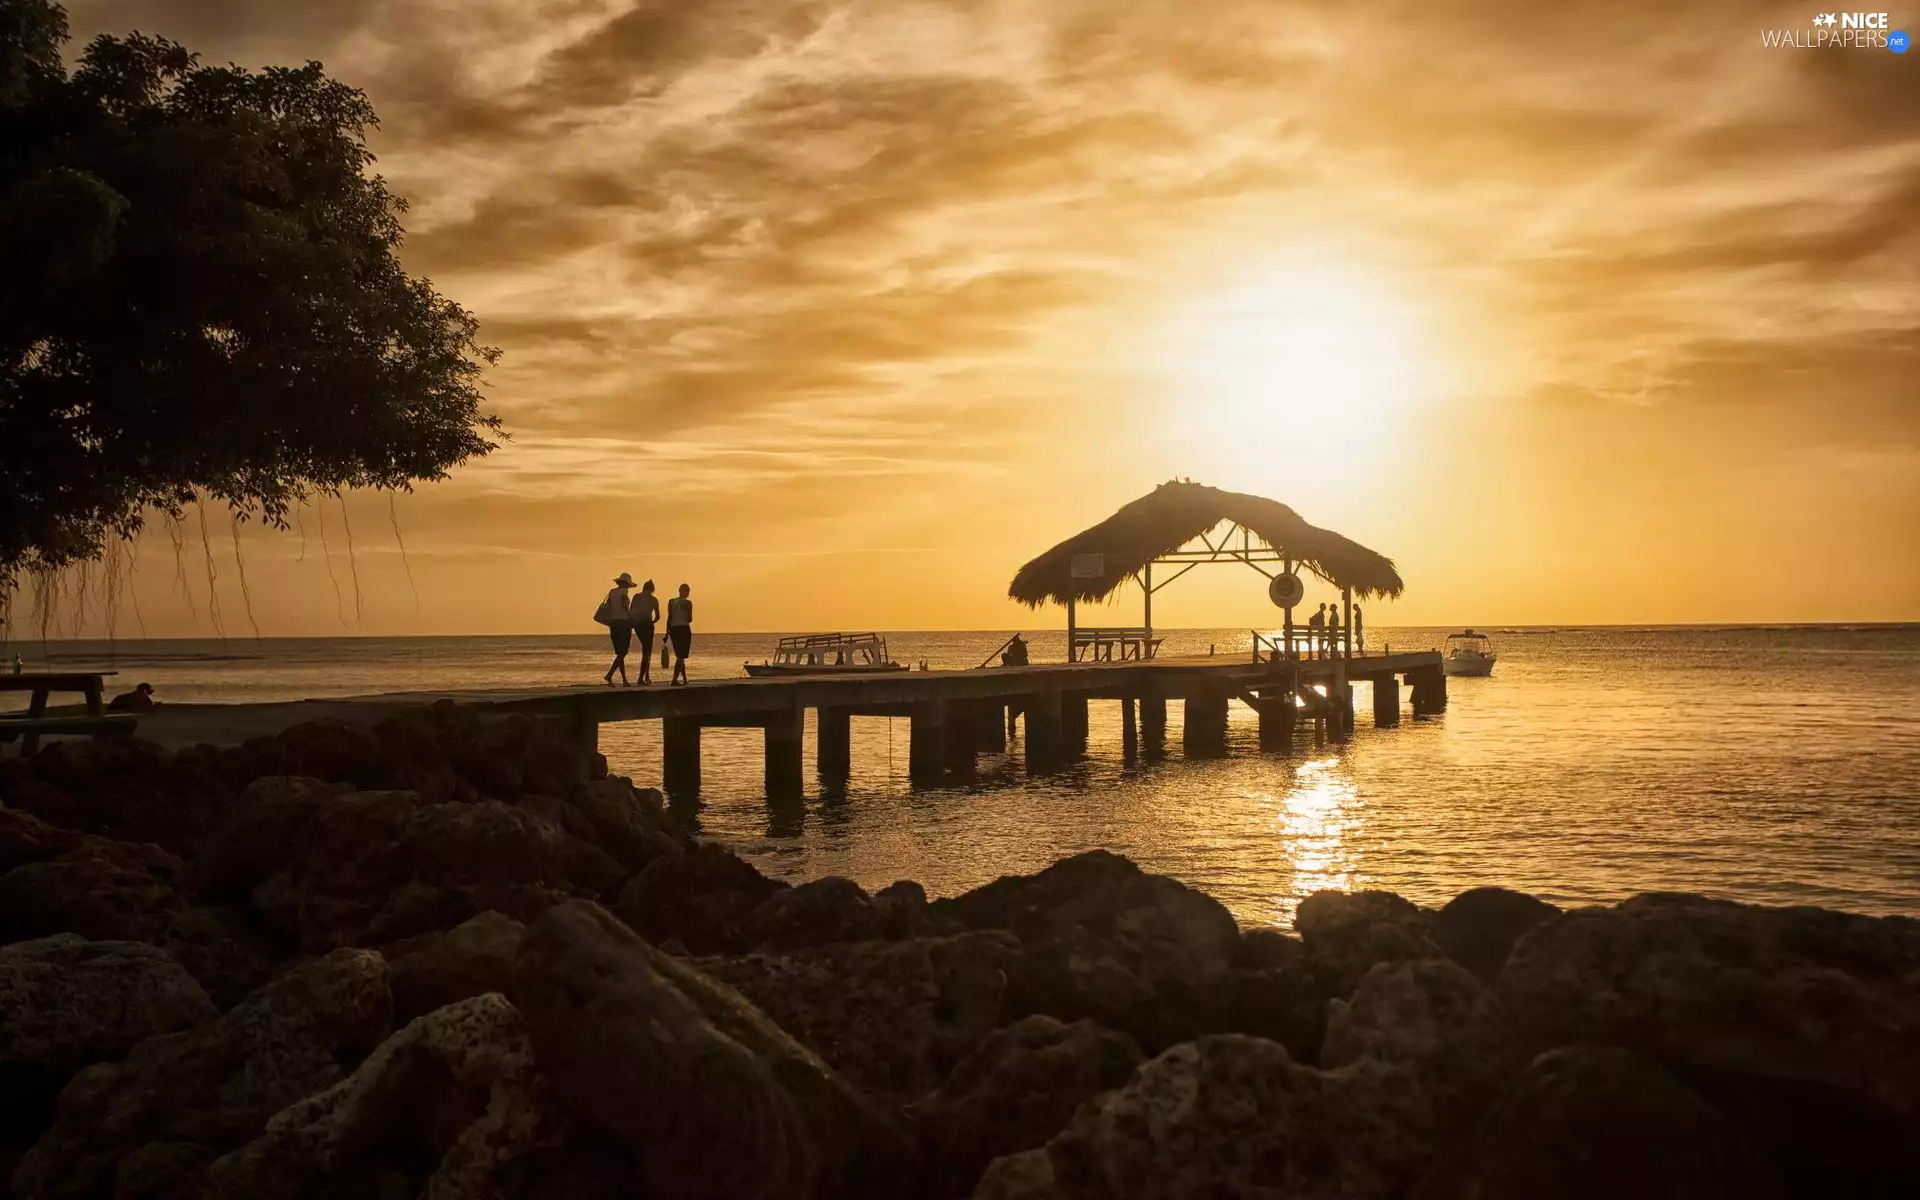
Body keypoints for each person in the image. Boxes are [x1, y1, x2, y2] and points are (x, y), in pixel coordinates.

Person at [600, 573, 635, 686]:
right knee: (622, 652)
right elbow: (625, 606)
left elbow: (609, 607)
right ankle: (620, 678)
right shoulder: (624, 593)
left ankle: (614, 677)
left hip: (613, 624)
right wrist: (631, 617)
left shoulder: (612, 592)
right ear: (626, 584)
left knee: (620, 653)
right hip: (623, 623)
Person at [631, 580, 661, 685]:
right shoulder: (654, 600)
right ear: (652, 590)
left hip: (638, 625)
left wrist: (633, 623)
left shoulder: (636, 597)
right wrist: (651, 621)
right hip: (648, 625)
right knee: (647, 651)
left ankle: (646, 677)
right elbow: (657, 617)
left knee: (646, 650)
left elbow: (631, 611)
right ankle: (642, 678)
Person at [666, 583, 694, 685]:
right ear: (686, 592)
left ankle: (685, 679)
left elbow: (669, 618)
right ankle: (674, 680)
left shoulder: (671, 601)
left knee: (679, 656)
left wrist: (666, 632)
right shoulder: (688, 603)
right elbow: (689, 619)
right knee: (681, 656)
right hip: (683, 629)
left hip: (673, 629)